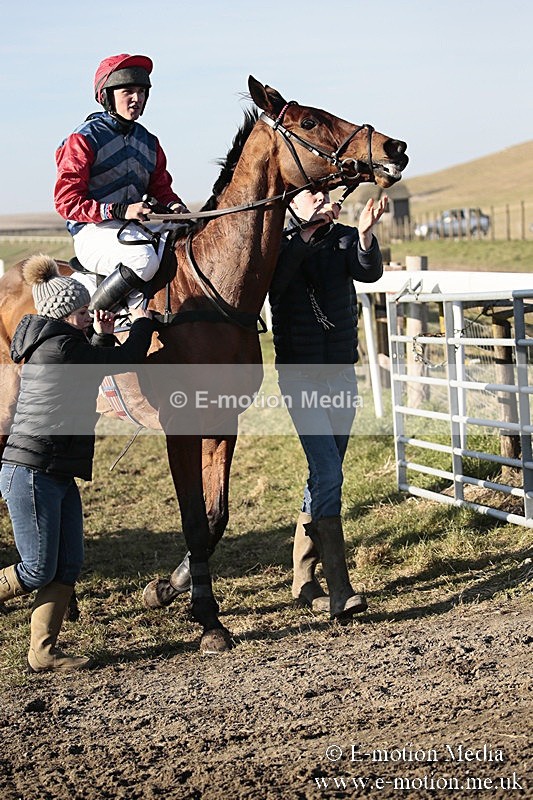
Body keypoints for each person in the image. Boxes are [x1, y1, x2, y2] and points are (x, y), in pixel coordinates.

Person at [0, 254, 154, 672]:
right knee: (35, 568)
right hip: (32, 471)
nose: (91, 316)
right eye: (84, 312)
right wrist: (142, 320)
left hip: (54, 469)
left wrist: (102, 334)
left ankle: (43, 652)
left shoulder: (60, 344)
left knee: (67, 564)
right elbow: (121, 363)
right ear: (66, 315)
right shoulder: (60, 348)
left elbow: (94, 367)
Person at [269, 188, 387, 622]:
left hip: (340, 370)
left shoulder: (341, 236)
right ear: (292, 204)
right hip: (300, 374)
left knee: (325, 469)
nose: (322, 197)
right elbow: (276, 283)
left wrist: (366, 235)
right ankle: (340, 587)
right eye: (311, 194)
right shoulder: (278, 242)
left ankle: (302, 575)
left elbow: (367, 272)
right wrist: (305, 237)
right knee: (328, 470)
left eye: (325, 193)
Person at [54, 53, 189, 313]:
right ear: (106, 96)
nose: (137, 99)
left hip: (134, 227)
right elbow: (66, 202)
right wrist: (119, 210)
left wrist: (174, 206)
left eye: (142, 92)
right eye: (128, 91)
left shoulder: (149, 141)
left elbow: (160, 188)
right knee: (142, 260)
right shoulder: (82, 139)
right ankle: (92, 323)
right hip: (92, 231)